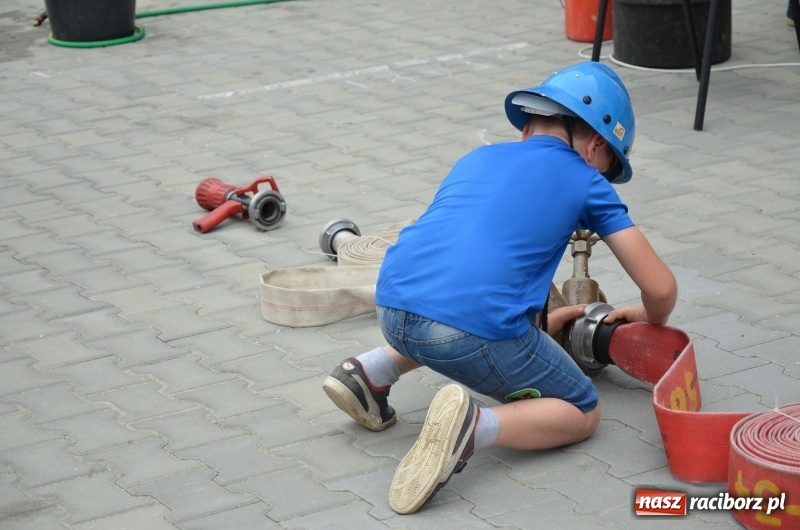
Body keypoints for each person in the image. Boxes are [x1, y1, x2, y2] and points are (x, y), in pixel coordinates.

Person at [322, 61, 677, 515]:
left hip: (392, 308)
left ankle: (368, 373)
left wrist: (540, 328)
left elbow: (475, 268)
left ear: (529, 126)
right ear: (595, 146)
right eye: (609, 165)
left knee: (448, 309)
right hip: (466, 331)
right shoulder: (586, 179)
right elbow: (660, 287)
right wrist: (650, 319)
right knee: (582, 410)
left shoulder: (476, 158)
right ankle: (474, 426)